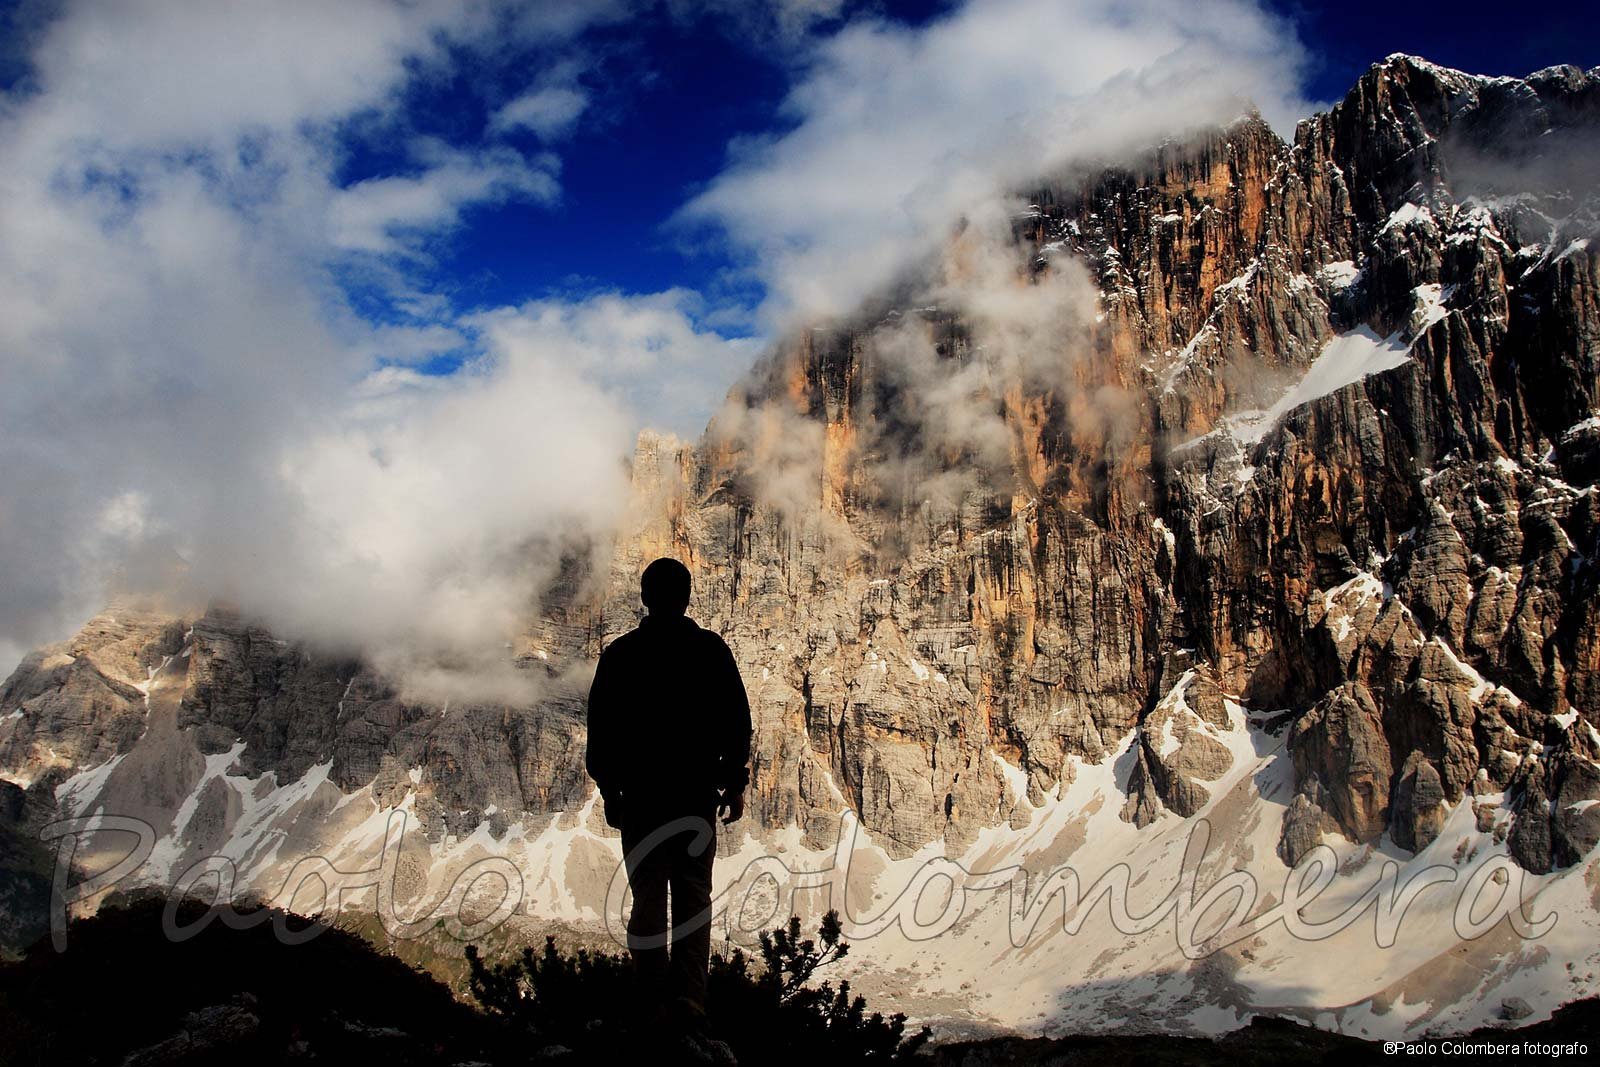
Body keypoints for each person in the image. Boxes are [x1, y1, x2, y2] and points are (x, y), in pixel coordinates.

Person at [585, 556, 752, 1031]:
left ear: (644, 597)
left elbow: (601, 732)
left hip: (639, 801)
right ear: (687, 597)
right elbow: (737, 725)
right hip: (694, 799)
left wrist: (610, 791)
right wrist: (733, 784)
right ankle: (690, 1003)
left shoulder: (620, 655)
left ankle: (648, 1002)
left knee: (648, 901)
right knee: (694, 899)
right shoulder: (710, 651)